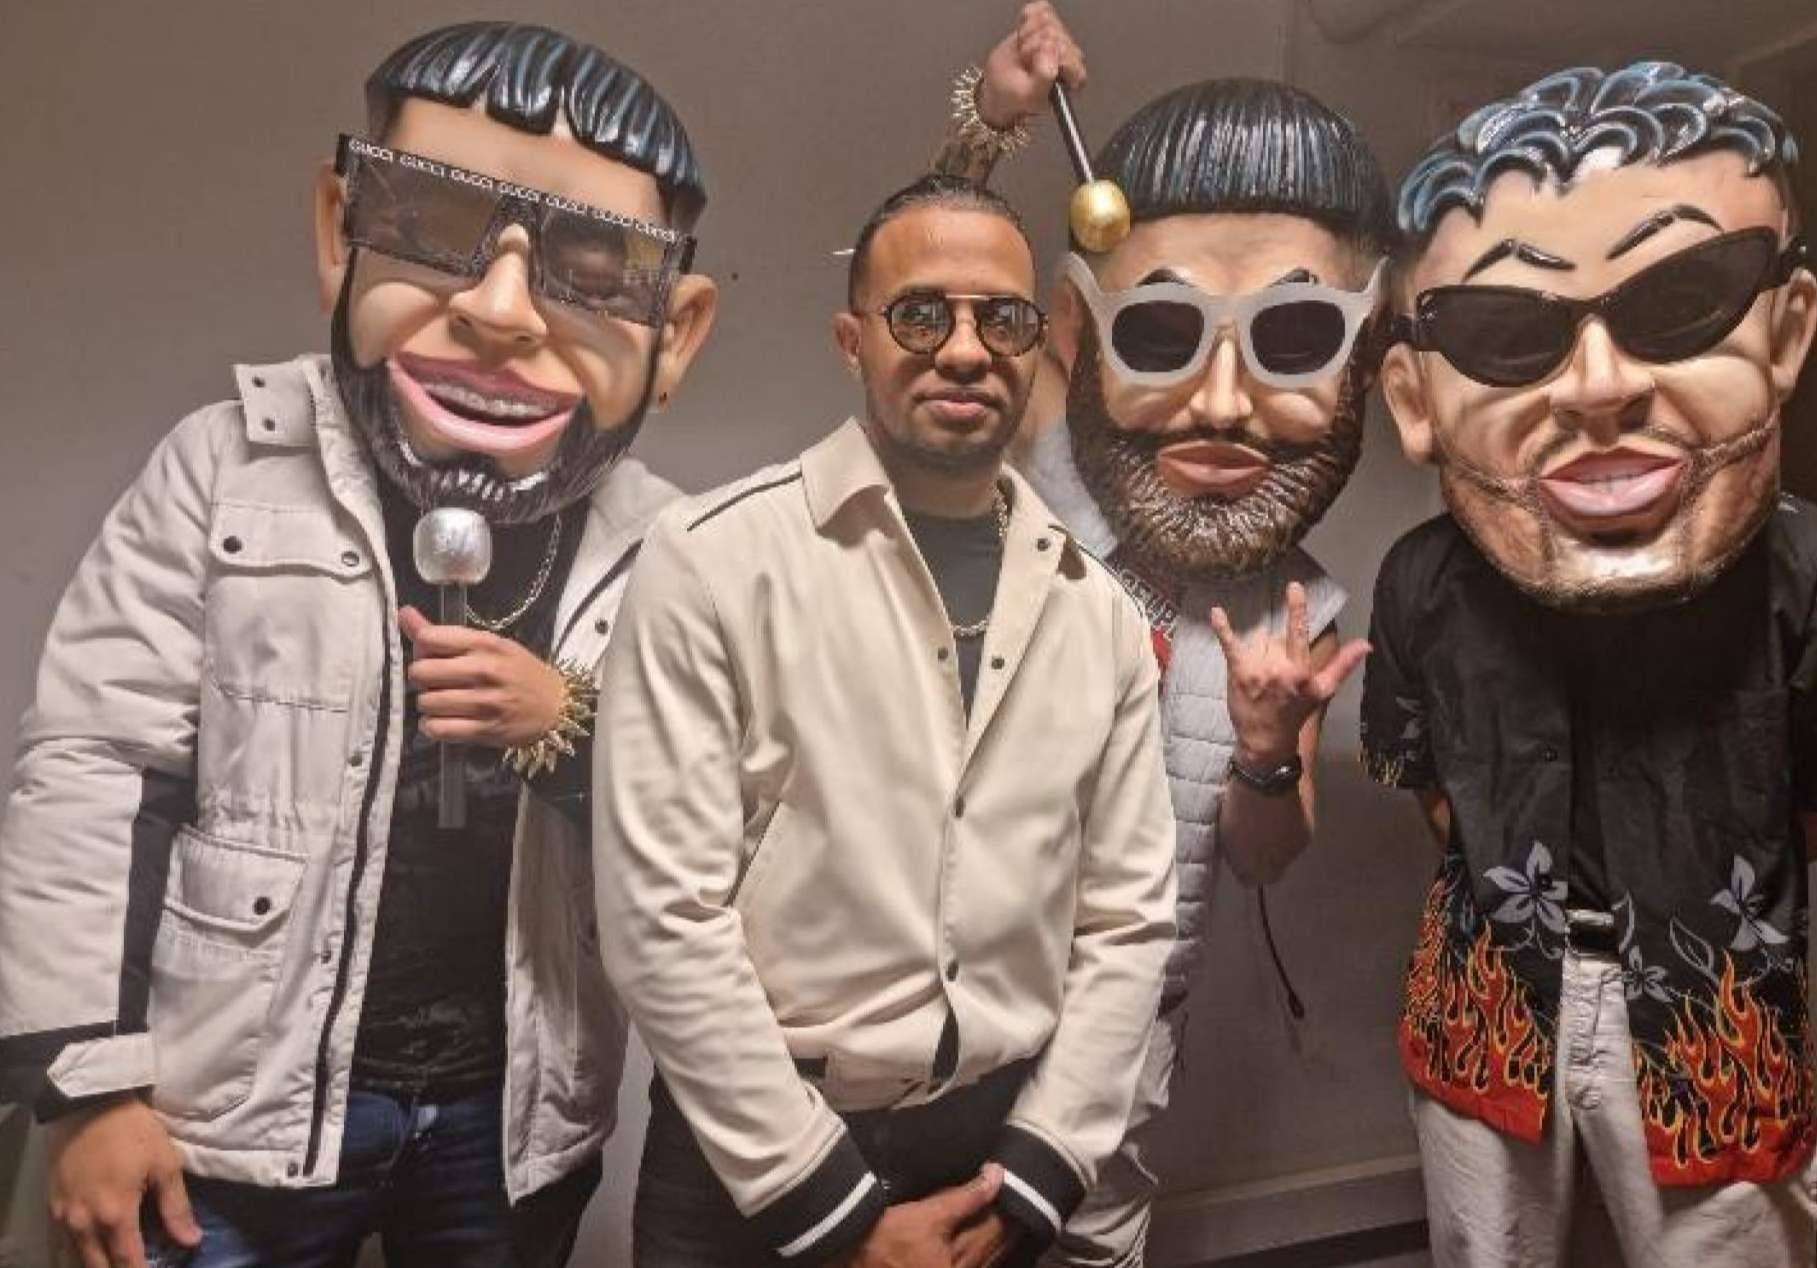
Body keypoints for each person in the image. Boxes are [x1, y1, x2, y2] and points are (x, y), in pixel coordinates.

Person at [0, 21, 716, 1267]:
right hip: (230, 1113)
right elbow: (95, 769)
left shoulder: (673, 550)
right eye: (435, 227)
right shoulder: (223, 468)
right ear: (341, 230)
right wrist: (88, 1081)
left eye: (595, 269)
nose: (498, 310)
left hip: (510, 1118)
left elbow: (719, 822)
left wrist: (567, 724)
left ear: (679, 333)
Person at [1362, 61, 1817, 1266]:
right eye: (1506, 333)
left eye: (1683, 300)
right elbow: (1434, 795)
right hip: (1486, 1003)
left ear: (1787, 329)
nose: (1599, 388)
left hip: (1720, 1016)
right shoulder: (1419, 581)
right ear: (1413, 396)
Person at [593, 174, 1177, 1268]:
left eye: (1001, 319)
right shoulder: (714, 562)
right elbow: (662, 915)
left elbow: (1128, 917)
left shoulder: (1094, 611)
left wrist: (1042, 1164)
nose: (964, 349)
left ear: (1036, 346)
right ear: (851, 340)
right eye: (919, 314)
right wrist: (834, 1211)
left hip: (992, 1159)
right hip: (754, 1164)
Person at [930, 8, 1389, 1262]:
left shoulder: (1302, 616)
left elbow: (1262, 857)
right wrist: (990, 124)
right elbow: (938, 291)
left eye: (1294, 338)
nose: (1223, 402)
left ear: (1364, 362)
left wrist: (1268, 745)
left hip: (1128, 1053)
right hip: (941, 1035)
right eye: (1161, 332)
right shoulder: (1041, 470)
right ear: (1077, 332)